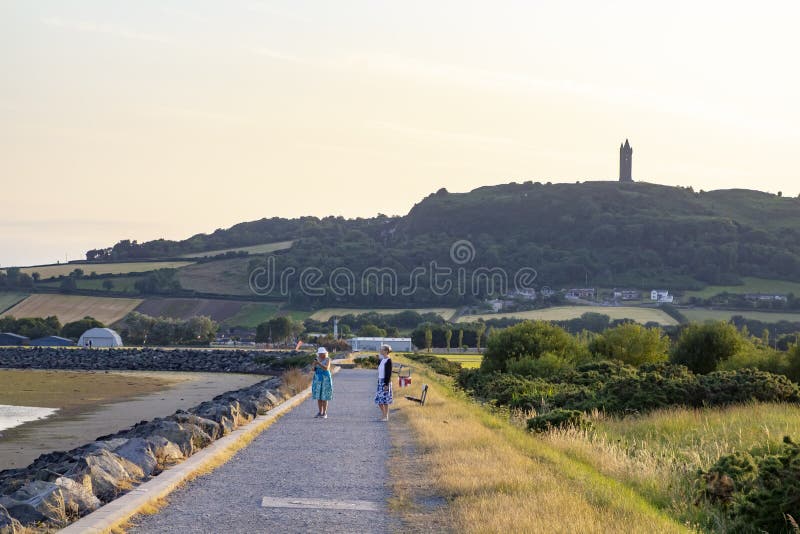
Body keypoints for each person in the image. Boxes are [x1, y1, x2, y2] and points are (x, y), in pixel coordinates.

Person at [311, 346, 333, 418]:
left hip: (325, 378)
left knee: (324, 396)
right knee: (319, 396)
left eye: (321, 353)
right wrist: (314, 364)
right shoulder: (317, 359)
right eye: (319, 353)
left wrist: (319, 363)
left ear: (325, 353)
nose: (320, 355)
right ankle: (320, 412)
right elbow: (313, 369)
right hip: (318, 378)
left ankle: (324, 413)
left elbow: (326, 368)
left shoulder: (327, 359)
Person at [375, 344, 393, 421]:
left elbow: (388, 373)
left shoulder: (389, 360)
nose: (380, 350)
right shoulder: (382, 360)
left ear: (386, 351)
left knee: (385, 400)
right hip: (380, 381)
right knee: (379, 400)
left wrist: (386, 384)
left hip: (385, 382)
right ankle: (384, 415)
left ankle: (385, 416)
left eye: (382, 349)